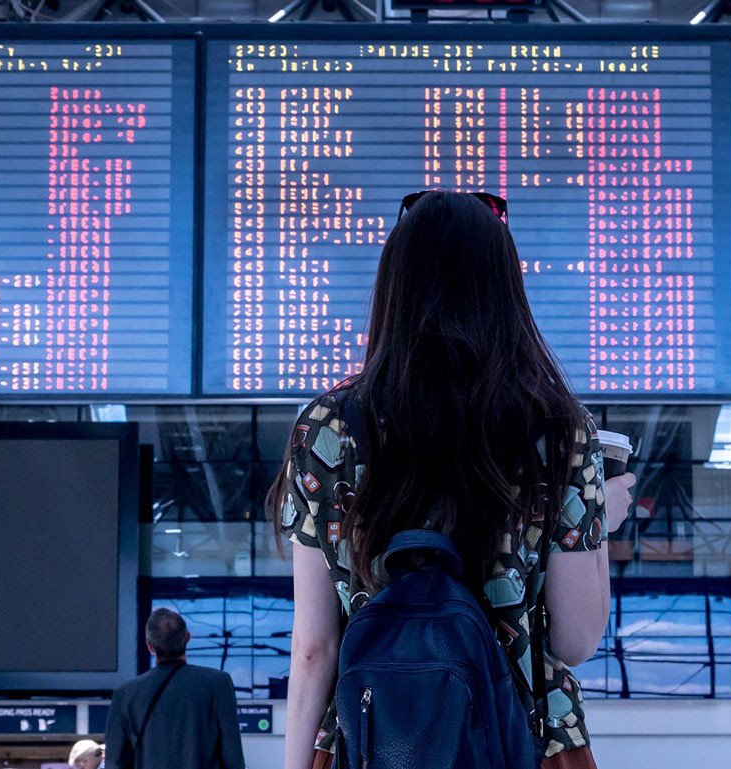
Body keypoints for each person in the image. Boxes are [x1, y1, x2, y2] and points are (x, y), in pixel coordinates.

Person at [268, 190, 636, 769]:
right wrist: (598, 524)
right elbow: (574, 639)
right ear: (503, 291)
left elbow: (315, 648)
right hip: (527, 741)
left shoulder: (327, 429)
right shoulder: (558, 427)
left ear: (394, 288)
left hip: (374, 739)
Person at [104, 608, 245, 769]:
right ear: (188, 638)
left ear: (150, 647)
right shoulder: (218, 684)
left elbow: (115, 763)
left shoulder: (125, 694)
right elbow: (233, 758)